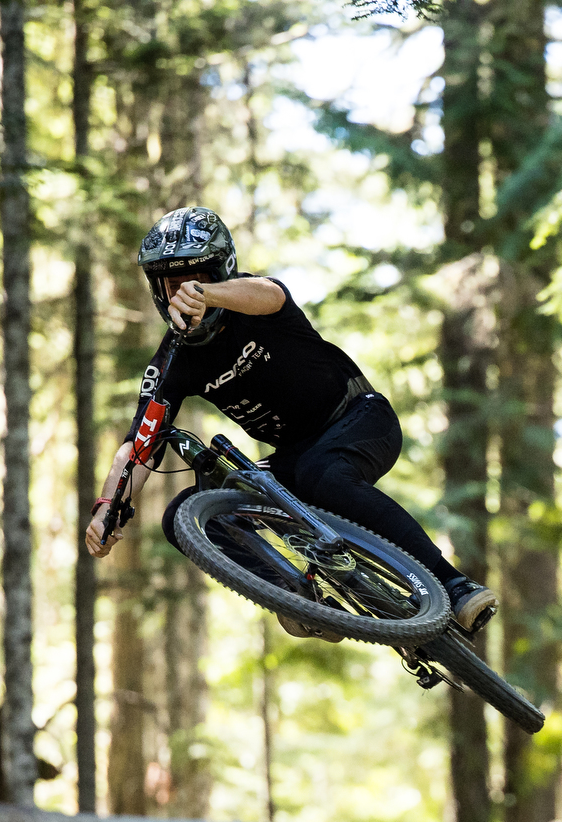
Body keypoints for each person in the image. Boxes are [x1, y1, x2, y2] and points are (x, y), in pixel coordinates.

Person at [84, 206, 496, 641]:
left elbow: (271, 293)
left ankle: (454, 583)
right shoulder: (173, 362)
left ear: (222, 271)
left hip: (360, 419)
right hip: (293, 460)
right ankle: (301, 600)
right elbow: (140, 444)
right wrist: (107, 509)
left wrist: (212, 295)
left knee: (324, 475)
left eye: (197, 278)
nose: (184, 292)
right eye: (172, 283)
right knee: (186, 513)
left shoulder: (255, 301)